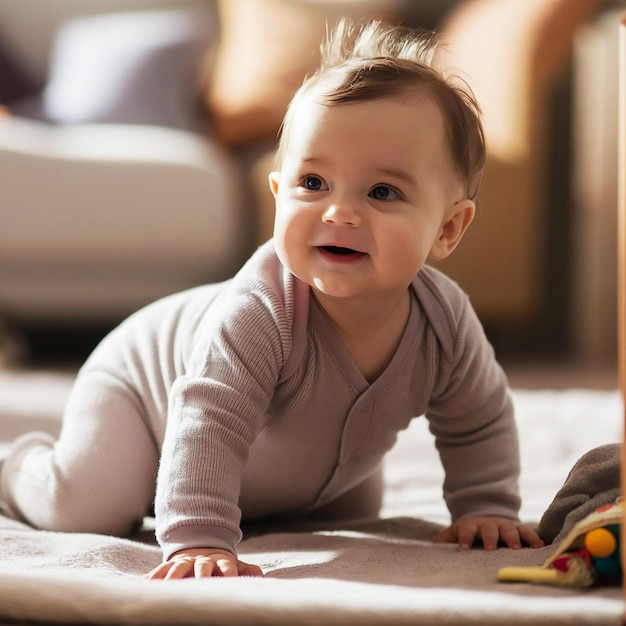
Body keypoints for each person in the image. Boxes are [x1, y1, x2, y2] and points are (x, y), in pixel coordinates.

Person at [0, 19, 544, 580]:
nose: (339, 213)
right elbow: (209, 419)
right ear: (279, 194)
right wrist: (200, 535)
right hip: (145, 396)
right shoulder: (260, 312)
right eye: (313, 183)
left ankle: (263, 493)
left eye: (383, 191)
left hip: (302, 466)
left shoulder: (444, 322)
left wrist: (486, 506)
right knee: (89, 506)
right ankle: (16, 471)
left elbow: (477, 420)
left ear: (448, 230)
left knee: (353, 511)